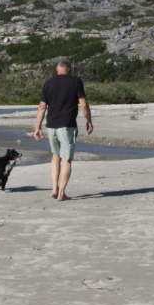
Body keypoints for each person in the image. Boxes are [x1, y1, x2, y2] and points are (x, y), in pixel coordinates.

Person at [33, 58, 93, 201]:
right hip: (67, 125)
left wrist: (38, 127)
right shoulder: (76, 81)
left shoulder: (48, 83)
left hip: (51, 125)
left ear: (57, 69)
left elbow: (42, 107)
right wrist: (89, 121)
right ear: (70, 69)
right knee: (67, 159)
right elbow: (84, 105)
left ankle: (54, 188)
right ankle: (61, 193)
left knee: (55, 156)